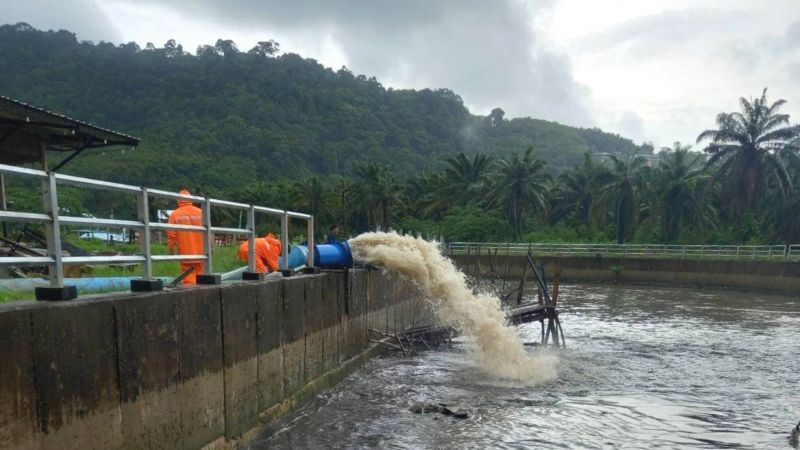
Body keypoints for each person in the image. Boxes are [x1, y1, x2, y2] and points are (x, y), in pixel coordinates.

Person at [167, 189, 204, 285]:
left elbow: (171, 234)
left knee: (188, 276)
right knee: (202, 275)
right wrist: (211, 248)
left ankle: (191, 294)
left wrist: (171, 250)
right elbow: (209, 231)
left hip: (186, 252)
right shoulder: (201, 212)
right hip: (201, 252)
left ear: (178, 200)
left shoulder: (175, 214)